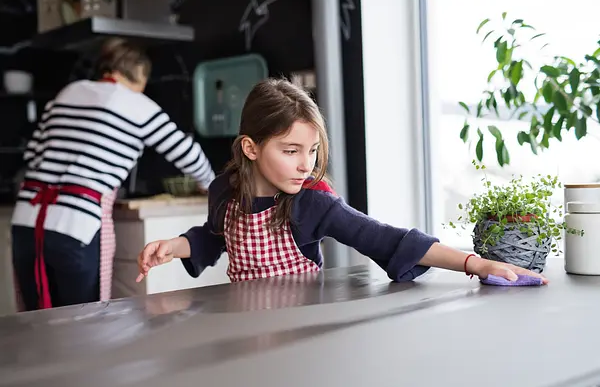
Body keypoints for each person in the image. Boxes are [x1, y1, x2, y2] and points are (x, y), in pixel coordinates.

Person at [135, 78, 547, 286]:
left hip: (302, 331)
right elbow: (214, 237)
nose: (305, 165)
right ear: (251, 148)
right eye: (291, 150)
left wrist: (474, 264)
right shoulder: (224, 191)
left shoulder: (312, 204)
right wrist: (174, 247)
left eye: (312, 151)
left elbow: (387, 239)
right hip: (240, 329)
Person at [12, 37, 215, 311]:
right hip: (76, 226)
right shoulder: (136, 103)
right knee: (83, 323)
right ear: (139, 74)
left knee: (34, 322)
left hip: (27, 221)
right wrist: (209, 185)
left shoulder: (68, 92)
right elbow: (187, 152)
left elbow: (33, 155)